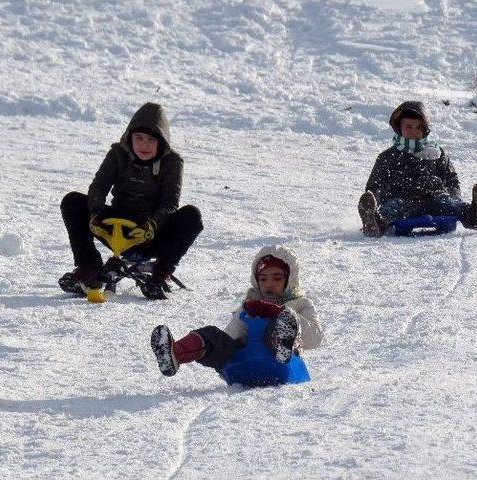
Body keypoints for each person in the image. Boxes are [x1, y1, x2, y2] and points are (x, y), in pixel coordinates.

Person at [59, 102, 203, 299]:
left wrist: (152, 225)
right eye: (139, 138)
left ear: (162, 141)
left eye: (151, 139)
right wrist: (96, 214)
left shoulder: (172, 162)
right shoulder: (118, 153)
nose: (144, 145)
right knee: (73, 202)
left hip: (151, 233)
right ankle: (89, 266)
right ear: (130, 137)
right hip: (115, 227)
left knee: (191, 216)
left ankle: (161, 272)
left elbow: (170, 203)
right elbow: (99, 188)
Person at [150, 245, 324, 377]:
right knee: (212, 335)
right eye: (263, 279)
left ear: (289, 279)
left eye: (277, 278)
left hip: (281, 365)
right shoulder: (250, 304)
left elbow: (316, 337)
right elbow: (230, 336)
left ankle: (282, 343)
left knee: (279, 324)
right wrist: (224, 338)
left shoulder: (300, 303)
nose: (269, 284)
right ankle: (175, 354)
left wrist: (280, 313)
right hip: (244, 365)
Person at [358, 101, 477, 237]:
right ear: (399, 127)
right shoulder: (388, 156)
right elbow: (375, 185)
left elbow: (451, 179)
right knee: (390, 210)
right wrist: (378, 199)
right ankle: (374, 223)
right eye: (408, 126)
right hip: (403, 198)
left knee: (454, 206)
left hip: (435, 197)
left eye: (418, 127)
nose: (413, 131)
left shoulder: (436, 153)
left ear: (425, 129)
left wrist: (454, 197)